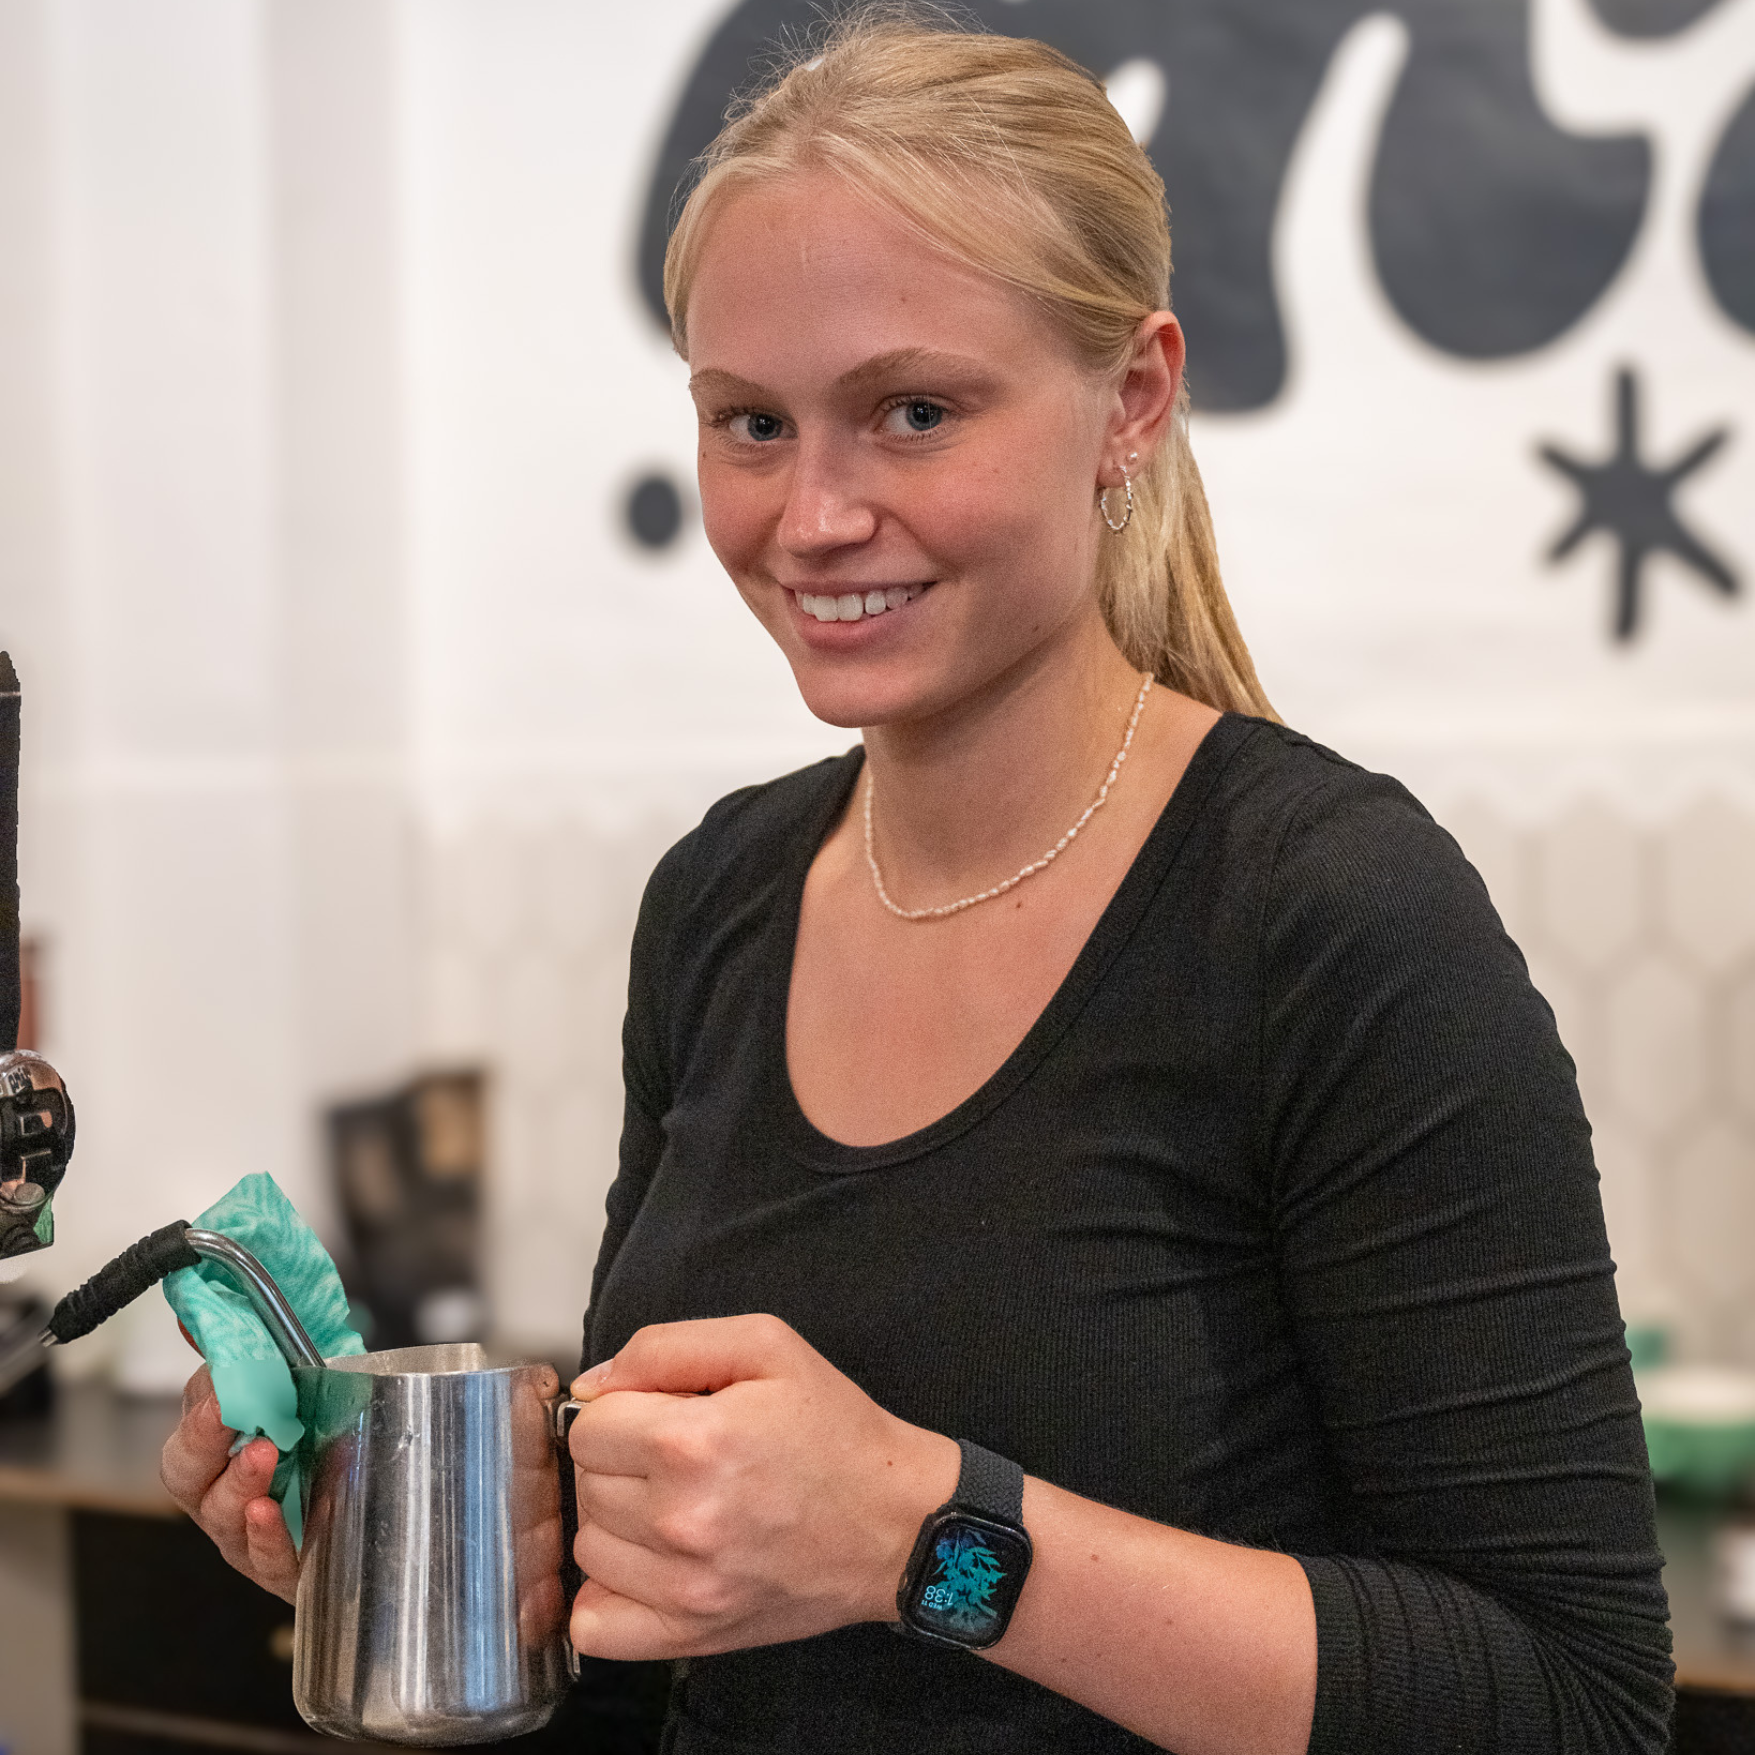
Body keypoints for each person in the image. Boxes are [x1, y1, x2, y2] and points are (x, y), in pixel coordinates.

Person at [162, 11, 1673, 1753]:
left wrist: (923, 1537)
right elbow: (693, 1644)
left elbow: (1570, 1700)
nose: (810, 515)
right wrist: (433, 1556)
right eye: (749, 423)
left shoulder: (1329, 913)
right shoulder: (723, 897)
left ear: (1131, 399)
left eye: (910, 412)